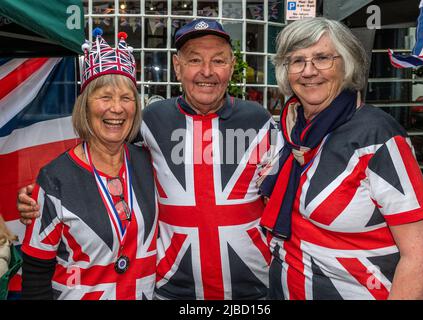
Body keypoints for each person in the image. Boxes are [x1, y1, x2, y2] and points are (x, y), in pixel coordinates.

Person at [18, 19, 282, 300]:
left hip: (254, 293)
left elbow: (285, 194)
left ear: (231, 66)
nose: (207, 71)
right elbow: (98, 148)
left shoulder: (259, 120)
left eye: (218, 60)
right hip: (171, 294)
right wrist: (42, 195)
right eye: (194, 60)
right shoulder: (152, 121)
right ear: (177, 67)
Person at [259, 17, 423, 300]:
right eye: (297, 61)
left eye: (322, 58)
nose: (309, 71)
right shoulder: (291, 128)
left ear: (347, 64)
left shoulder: (377, 136)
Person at [19, 29, 158, 300]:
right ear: (84, 106)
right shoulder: (54, 180)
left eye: (126, 98)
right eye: (105, 97)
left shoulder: (150, 162)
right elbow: (35, 281)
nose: (116, 109)